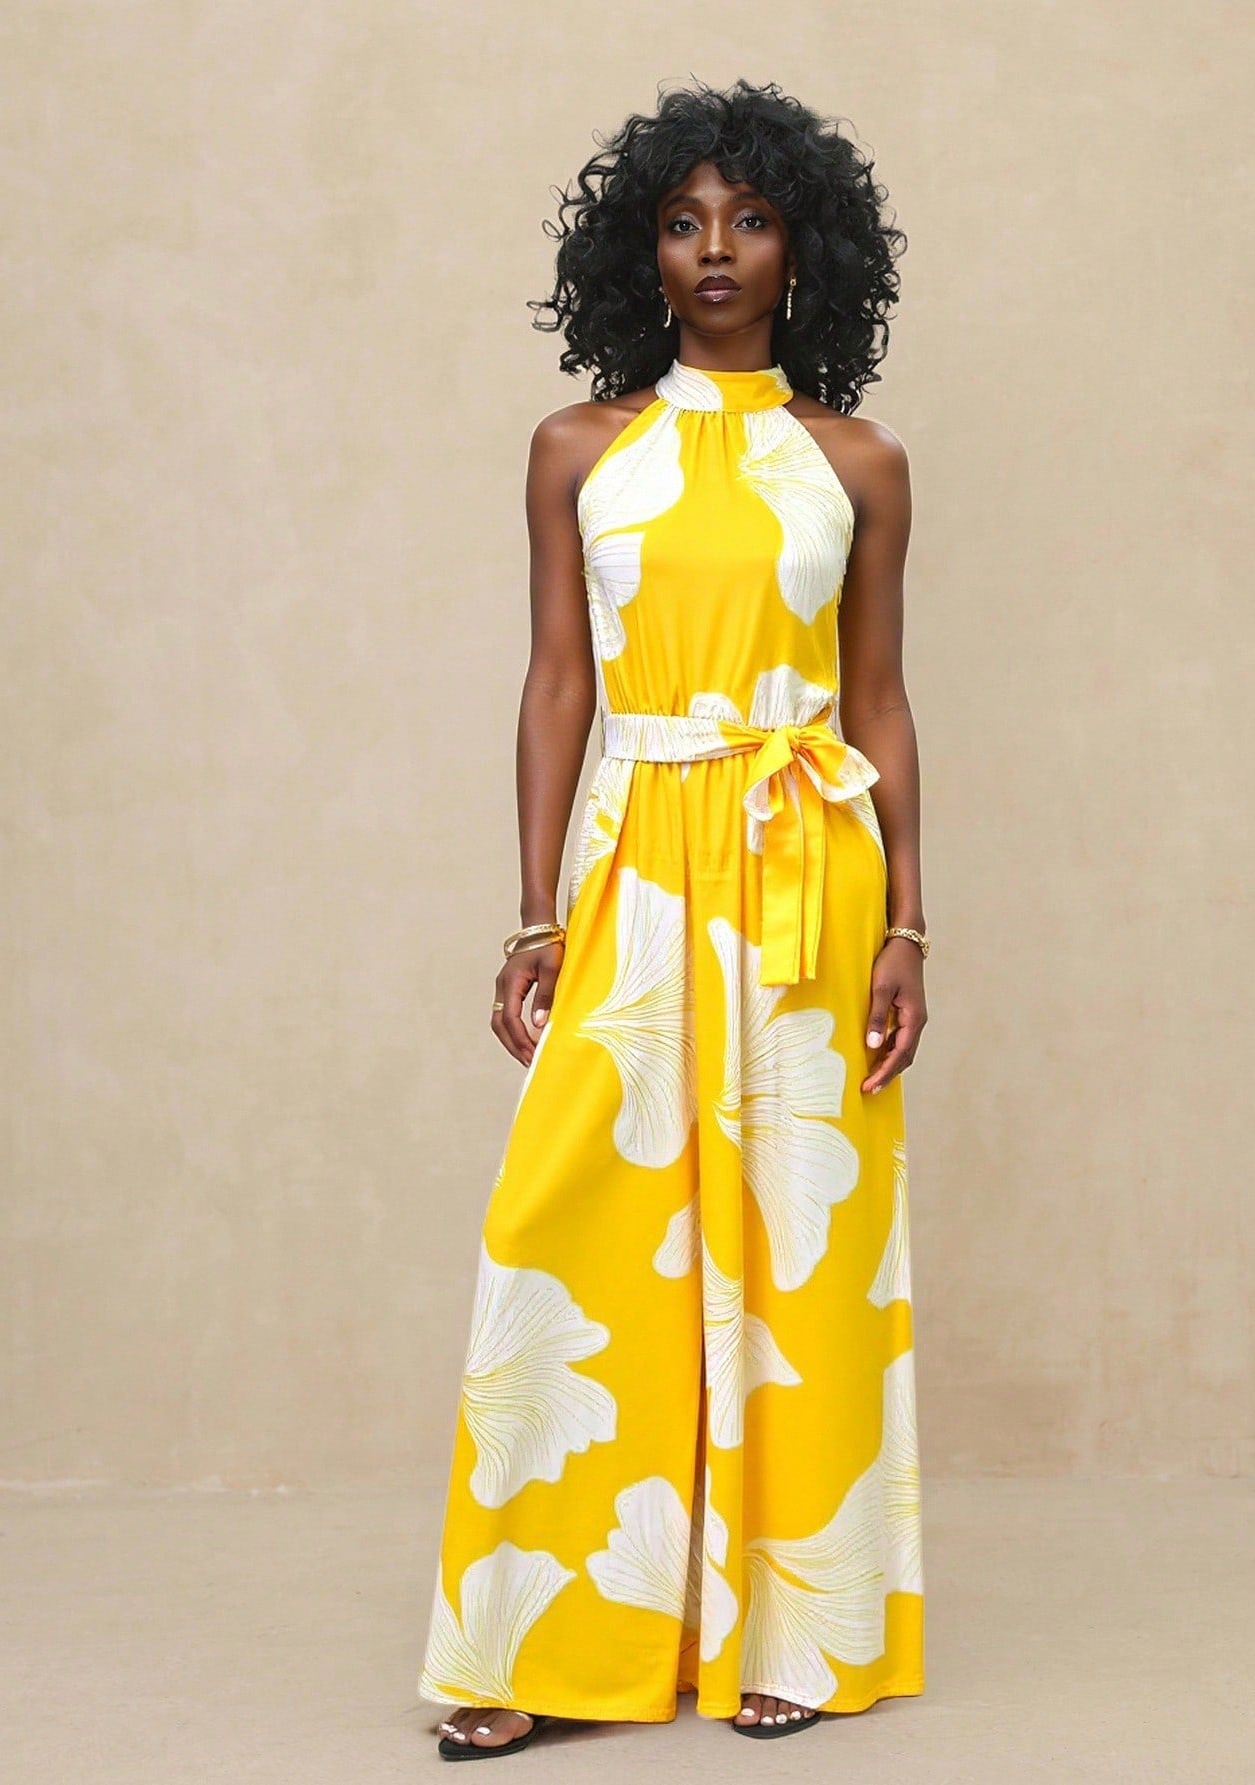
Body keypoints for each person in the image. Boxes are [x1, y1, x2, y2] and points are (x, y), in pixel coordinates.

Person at [419, 77, 928, 1759]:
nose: (716, 249)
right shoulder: (582, 449)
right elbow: (557, 682)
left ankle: (798, 1627)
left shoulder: (857, 461)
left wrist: (909, 927)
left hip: (803, 870)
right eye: (684, 221)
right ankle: (539, 1643)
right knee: (576, 1228)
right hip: (637, 855)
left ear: (804, 250)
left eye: (752, 219)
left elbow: (879, 699)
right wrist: (532, 914)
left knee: (797, 1246)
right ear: (638, 251)